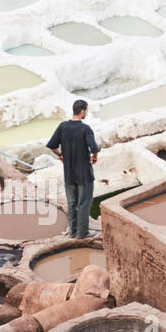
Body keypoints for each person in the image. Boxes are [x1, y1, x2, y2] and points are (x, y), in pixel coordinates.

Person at [46, 100, 99, 240]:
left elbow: (52, 146)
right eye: (86, 110)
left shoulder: (63, 126)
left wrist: (61, 155)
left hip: (69, 174)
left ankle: (72, 231)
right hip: (84, 174)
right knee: (83, 203)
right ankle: (82, 233)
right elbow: (94, 147)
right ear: (81, 111)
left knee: (72, 202)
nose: (86, 113)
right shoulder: (85, 129)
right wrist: (95, 156)